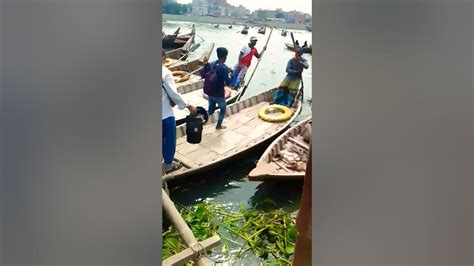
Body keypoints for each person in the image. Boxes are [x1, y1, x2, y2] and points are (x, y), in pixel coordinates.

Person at [162, 50, 197, 174]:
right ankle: (168, 165)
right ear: (164, 58)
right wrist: (188, 106)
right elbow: (173, 93)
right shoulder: (165, 73)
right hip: (164, 114)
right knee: (169, 140)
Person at [200, 47, 231, 130]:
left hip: (210, 92)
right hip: (219, 94)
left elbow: (202, 74)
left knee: (210, 110)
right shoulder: (224, 68)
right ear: (225, 57)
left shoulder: (211, 64)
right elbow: (228, 82)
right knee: (223, 108)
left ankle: (201, 120)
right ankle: (218, 125)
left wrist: (205, 65)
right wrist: (231, 74)